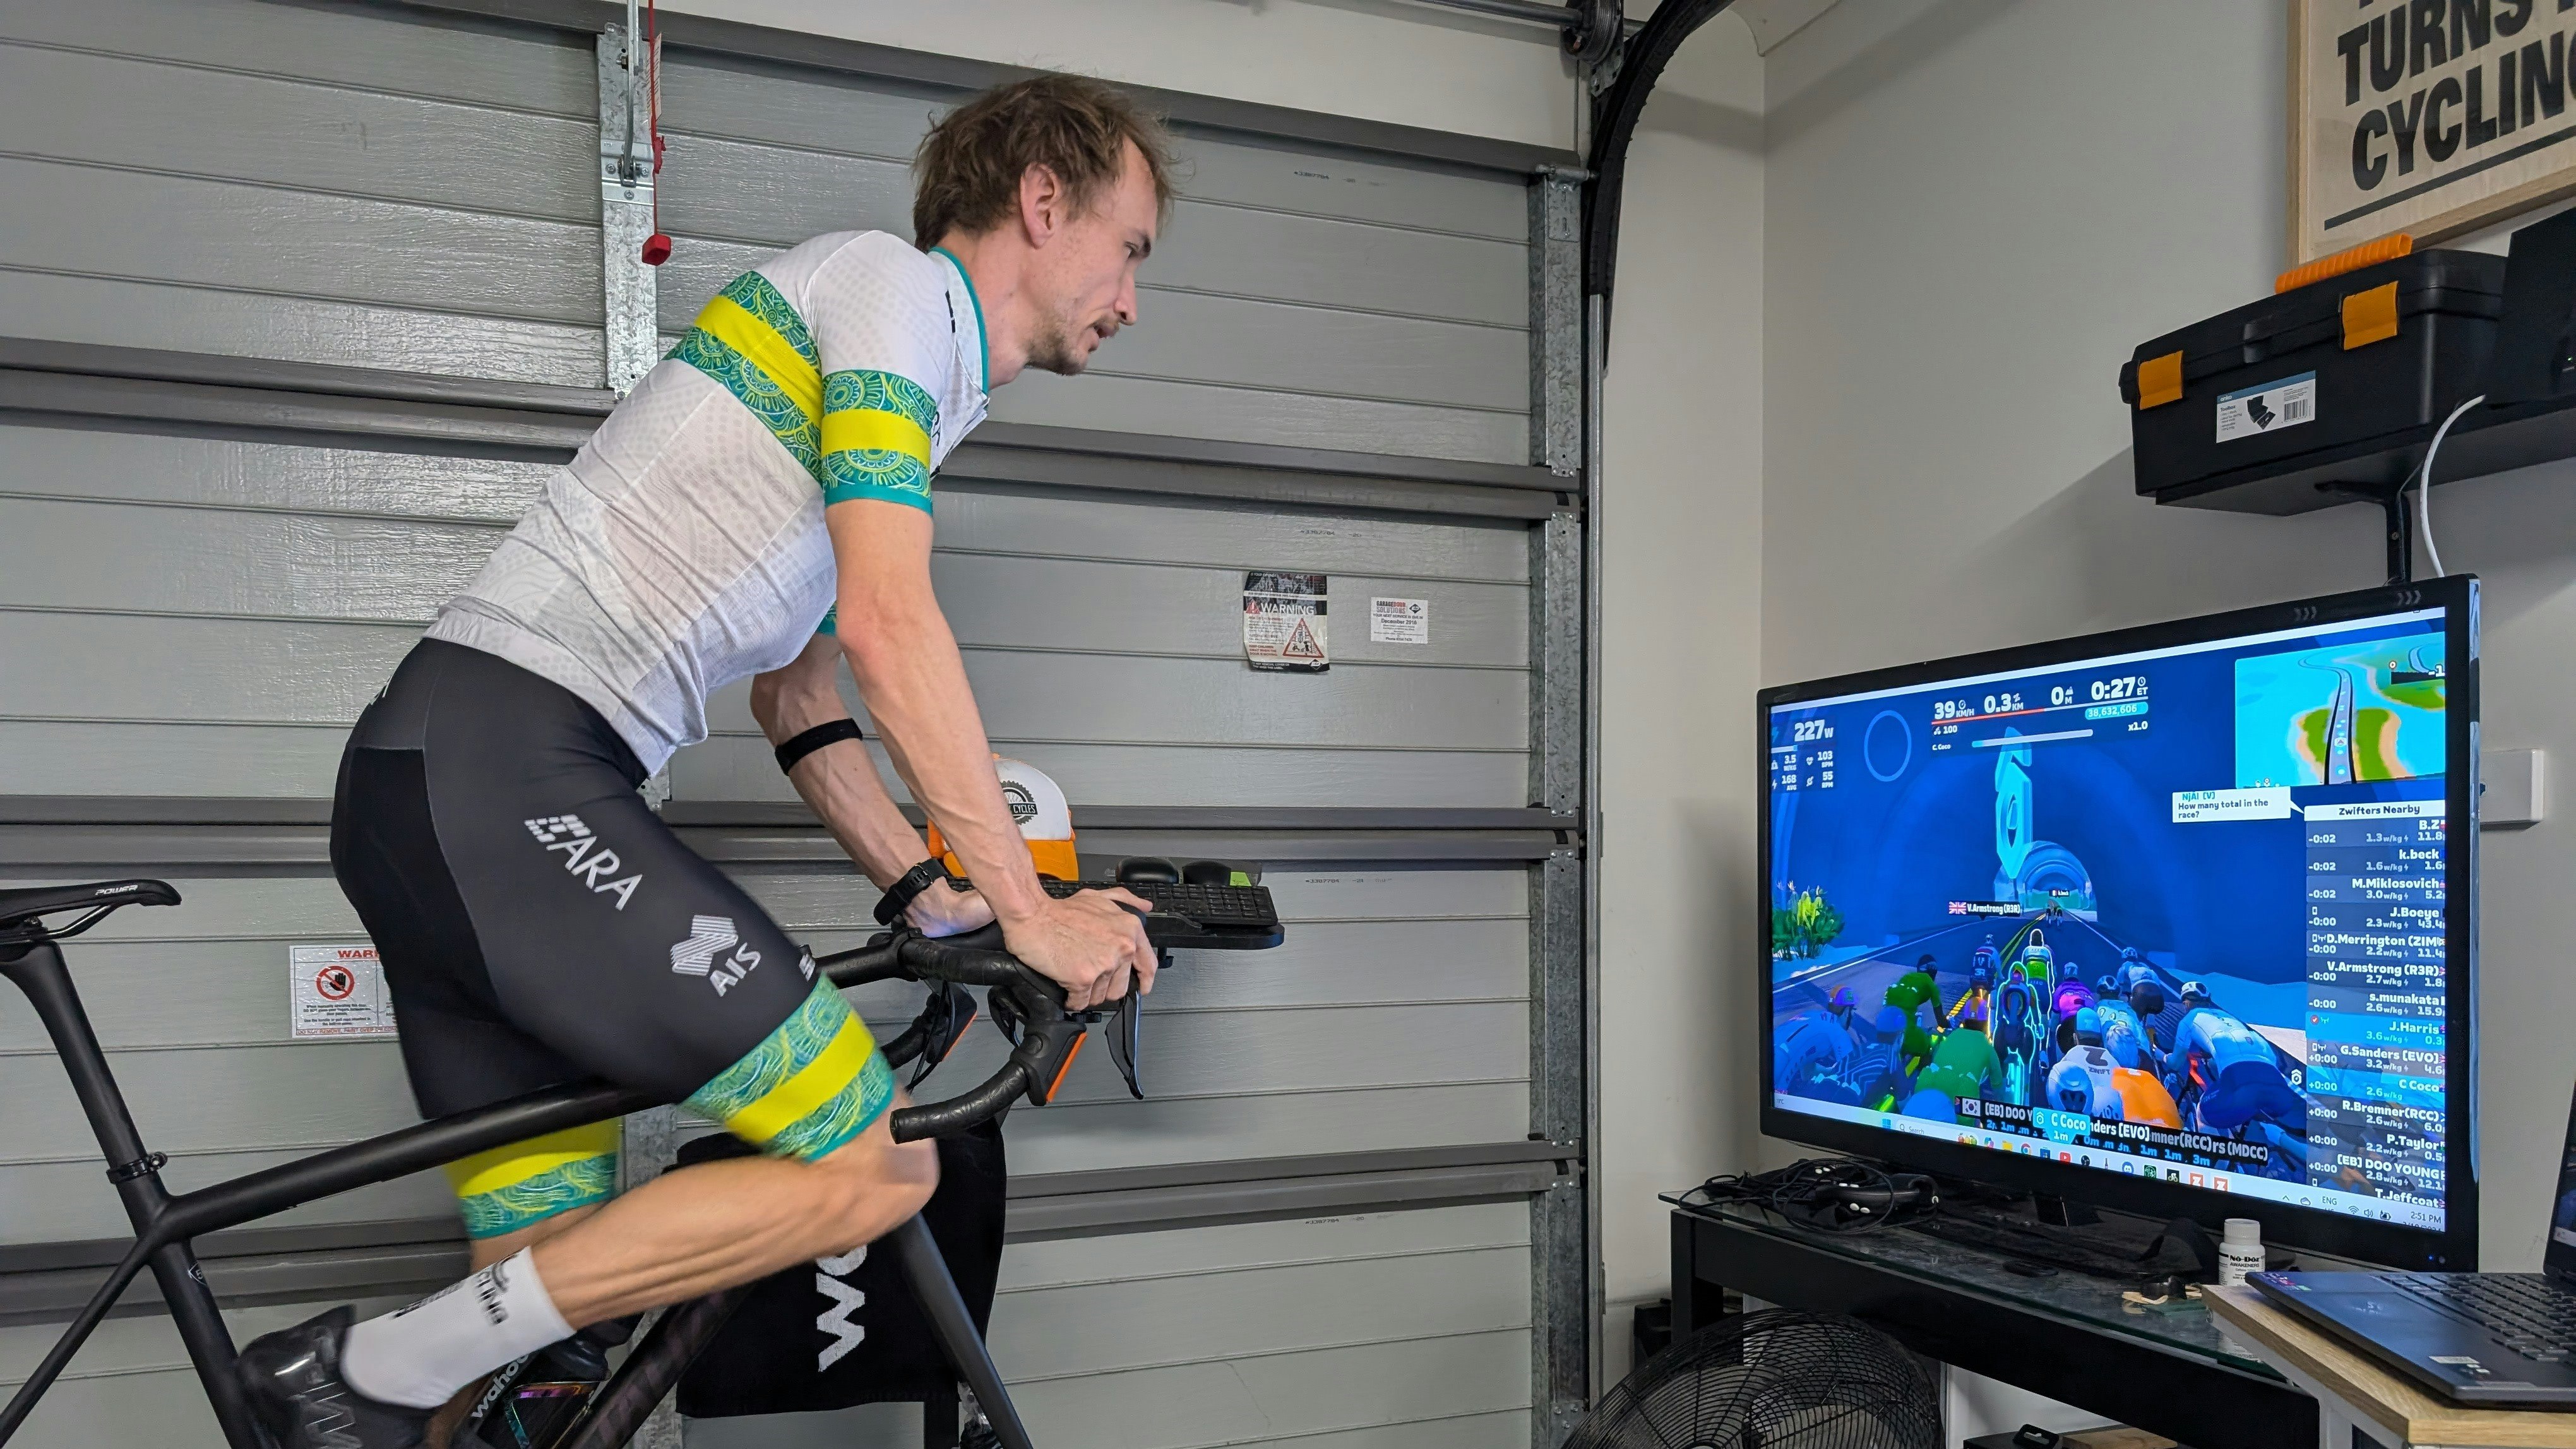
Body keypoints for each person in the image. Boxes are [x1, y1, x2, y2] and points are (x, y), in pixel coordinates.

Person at [234, 75, 1179, 1448]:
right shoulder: (895, 296)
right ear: (1044, 201)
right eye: (1132, 247)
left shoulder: (903, 383)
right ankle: (357, 1371)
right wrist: (1030, 912)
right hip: (511, 776)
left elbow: (799, 691)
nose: (1132, 296)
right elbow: (890, 621)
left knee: (545, 1372)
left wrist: (929, 888)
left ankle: (416, 1386)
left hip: (442, 786)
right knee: (873, 1161)